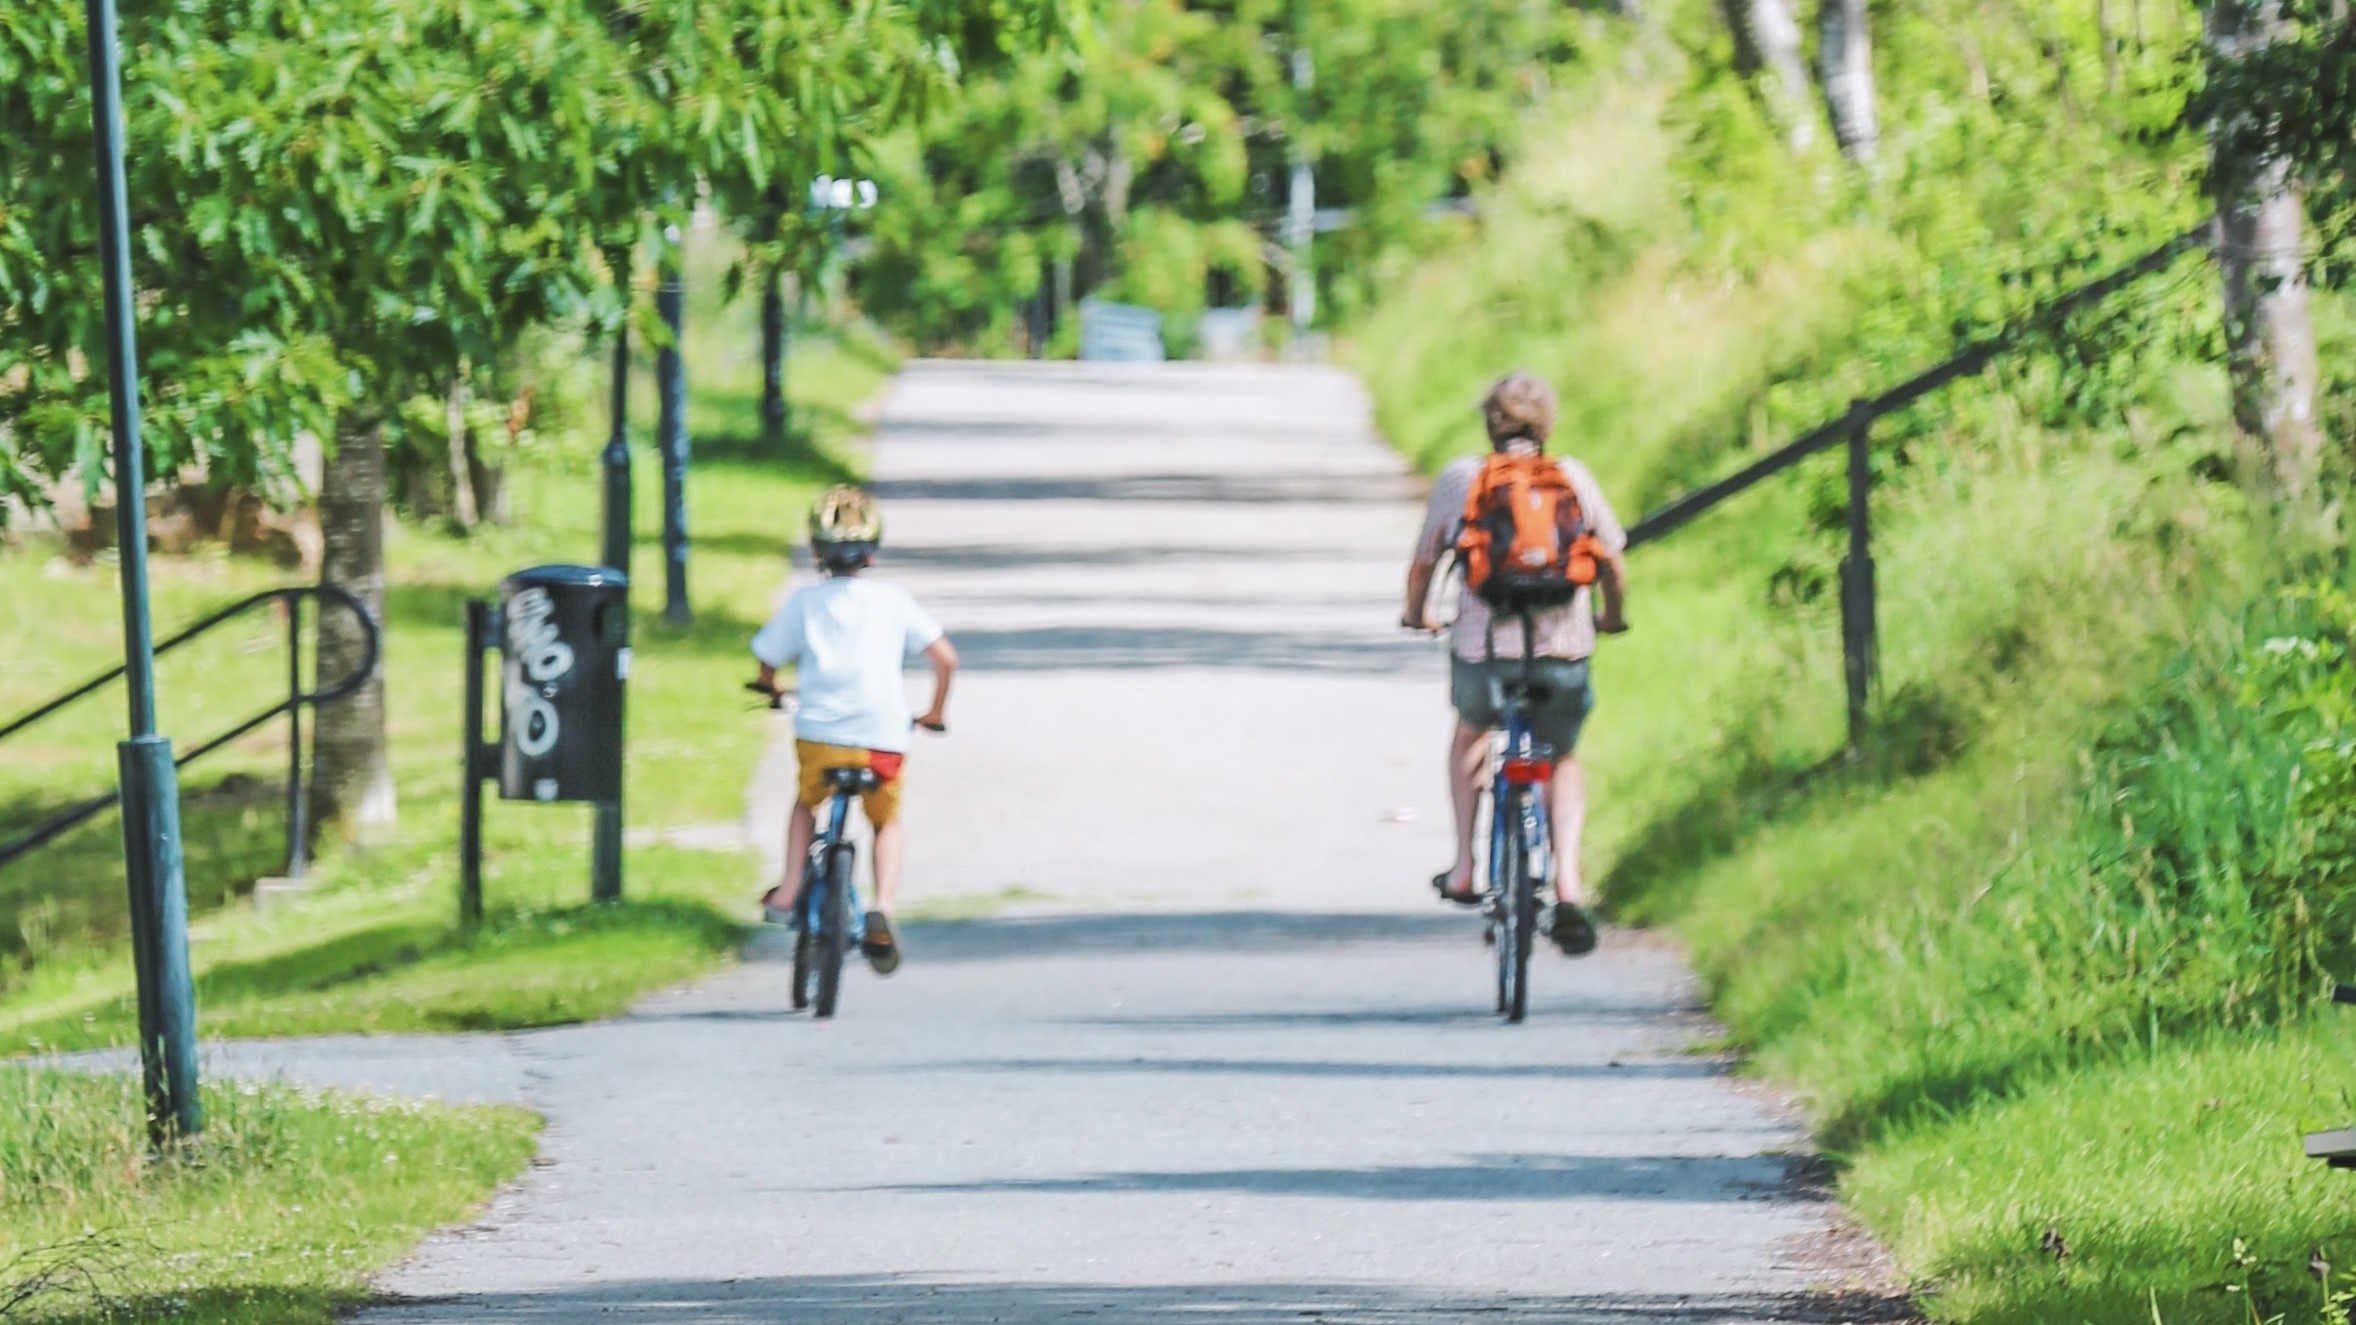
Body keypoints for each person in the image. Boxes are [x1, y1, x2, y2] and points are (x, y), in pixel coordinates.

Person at [1400, 372, 1628, 956]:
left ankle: (1465, 865)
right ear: (1546, 423)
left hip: (1483, 654)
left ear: (1489, 423)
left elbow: (1426, 560)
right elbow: (1610, 557)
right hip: (1562, 652)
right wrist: (1611, 616)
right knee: (1563, 758)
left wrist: (1416, 614)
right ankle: (1569, 885)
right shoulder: (1571, 477)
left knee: (1471, 734)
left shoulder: (1463, 477)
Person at [752, 486, 957, 974]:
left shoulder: (805, 602)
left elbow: (766, 657)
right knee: (885, 820)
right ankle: (882, 902)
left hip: (820, 735)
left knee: (806, 802)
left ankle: (787, 888)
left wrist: (771, 688)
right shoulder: (894, 601)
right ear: (872, 551)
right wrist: (933, 712)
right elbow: (946, 658)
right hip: (883, 739)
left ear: (815, 550)